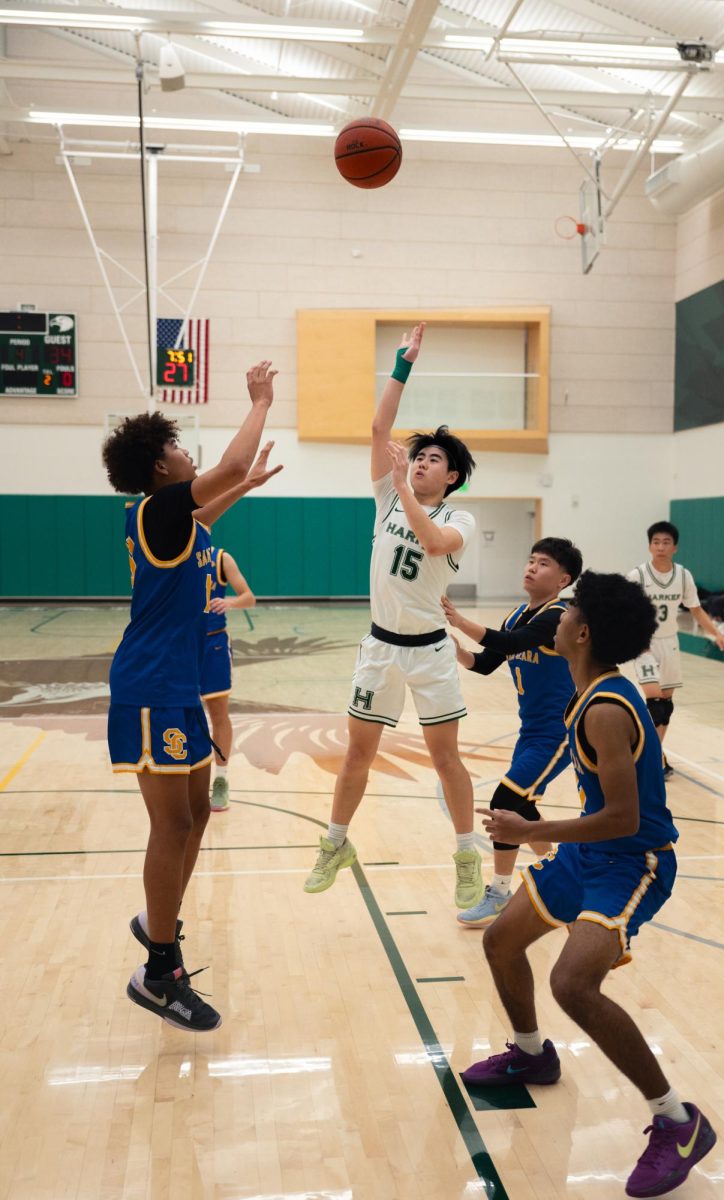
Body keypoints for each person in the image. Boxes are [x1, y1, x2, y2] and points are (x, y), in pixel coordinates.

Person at [461, 571, 716, 1199]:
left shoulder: (603, 708)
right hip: (591, 856)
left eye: (570, 607)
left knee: (573, 982)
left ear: (582, 633)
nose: (562, 613)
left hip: (633, 862)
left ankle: (677, 1121)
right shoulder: (592, 689)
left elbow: (625, 818)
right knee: (500, 942)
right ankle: (531, 1054)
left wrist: (530, 829)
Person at [102, 361, 279, 1033]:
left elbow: (213, 503)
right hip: (151, 685)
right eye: (175, 446)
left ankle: (155, 922)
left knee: (198, 814)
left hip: (178, 685)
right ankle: (159, 971)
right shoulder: (156, 511)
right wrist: (260, 402)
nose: (186, 449)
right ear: (157, 468)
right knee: (172, 824)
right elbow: (228, 466)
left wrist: (245, 486)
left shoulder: (172, 521)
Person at [303, 322, 483, 908]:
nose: (423, 463)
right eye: (419, 457)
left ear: (450, 476)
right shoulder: (388, 495)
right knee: (357, 754)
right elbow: (380, 428)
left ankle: (465, 854)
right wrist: (401, 366)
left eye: (434, 460)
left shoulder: (461, 521)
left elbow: (432, 544)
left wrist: (404, 484)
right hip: (380, 646)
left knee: (445, 759)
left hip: (430, 650)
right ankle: (336, 843)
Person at [443, 537, 582, 927]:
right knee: (523, 807)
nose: (532, 567)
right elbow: (487, 662)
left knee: (505, 803)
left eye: (543, 563)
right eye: (531, 559)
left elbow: (511, 643)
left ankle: (500, 891)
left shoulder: (559, 616)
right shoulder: (518, 613)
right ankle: (563, 876)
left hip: (559, 733)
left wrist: (460, 619)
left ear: (563, 579)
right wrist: (457, 651)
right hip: (530, 733)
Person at [628, 521, 724, 779]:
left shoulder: (683, 575)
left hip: (670, 643)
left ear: (675, 547)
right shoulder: (638, 575)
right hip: (644, 645)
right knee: (654, 704)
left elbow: (696, 609)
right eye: (656, 542)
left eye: (666, 542)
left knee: (665, 706)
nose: (660, 547)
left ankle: (656, 755)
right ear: (649, 546)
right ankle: (647, 757)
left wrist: (716, 634)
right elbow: (624, 610)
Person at [201, 544, 256, 813]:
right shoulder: (174, 554)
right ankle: (190, 776)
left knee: (218, 714)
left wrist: (230, 602)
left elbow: (249, 597)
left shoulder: (220, 558)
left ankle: (220, 780)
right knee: (183, 715)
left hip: (214, 647)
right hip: (181, 645)